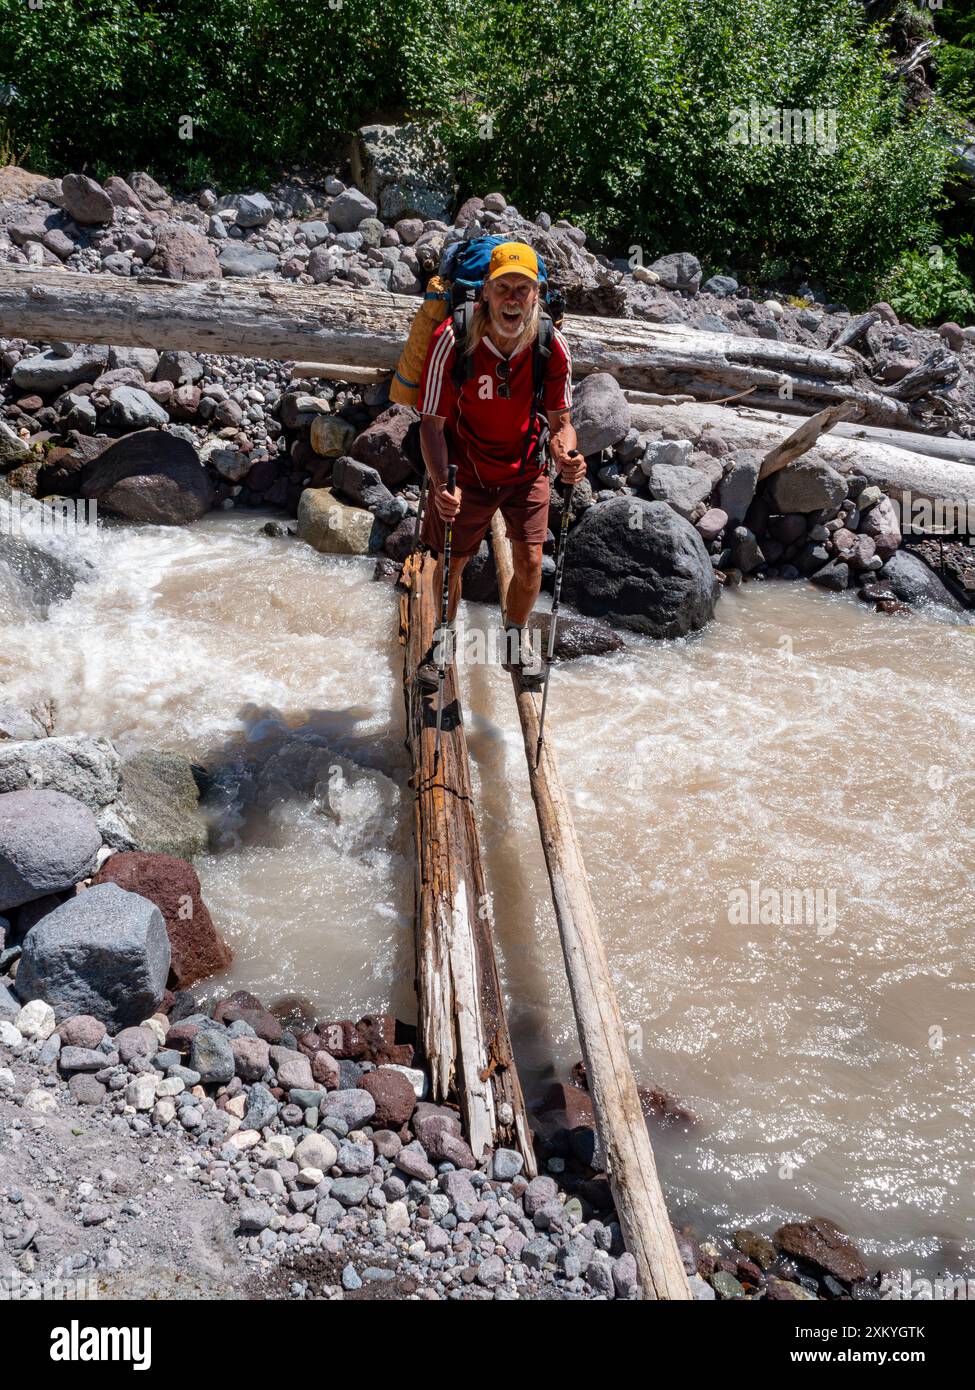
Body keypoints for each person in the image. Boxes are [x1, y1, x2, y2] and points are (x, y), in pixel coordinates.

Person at [414, 241, 584, 690]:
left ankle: (514, 639)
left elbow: (561, 422)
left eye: (522, 289)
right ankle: (444, 640)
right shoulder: (453, 338)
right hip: (465, 470)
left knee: (530, 563)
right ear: (485, 293)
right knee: (453, 563)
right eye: (503, 287)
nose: (513, 298)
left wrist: (566, 455)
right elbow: (430, 424)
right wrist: (439, 484)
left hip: (525, 468)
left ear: (536, 295)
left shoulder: (551, 343)